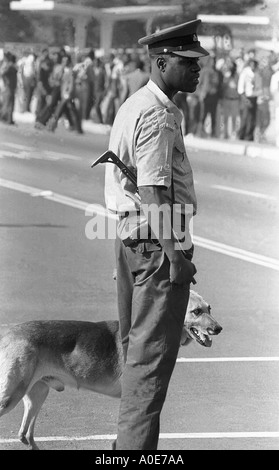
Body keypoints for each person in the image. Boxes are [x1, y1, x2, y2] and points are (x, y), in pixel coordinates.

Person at [104, 19, 208, 450]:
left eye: (198, 62)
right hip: (155, 248)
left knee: (134, 356)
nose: (197, 69)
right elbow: (152, 189)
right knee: (149, 367)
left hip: (131, 240)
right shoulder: (159, 113)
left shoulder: (134, 104)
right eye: (188, 62)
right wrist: (176, 255)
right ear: (163, 62)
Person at [237, 58, 262, 141]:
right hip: (246, 97)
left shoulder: (258, 73)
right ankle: (241, 136)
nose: (253, 66)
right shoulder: (245, 72)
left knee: (252, 119)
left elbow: (259, 87)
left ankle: (249, 136)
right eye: (252, 64)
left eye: (255, 64)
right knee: (244, 118)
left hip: (254, 98)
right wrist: (245, 99)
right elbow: (240, 87)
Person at [0, 52, 18, 125]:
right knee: (8, 103)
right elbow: (2, 73)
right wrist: (6, 81)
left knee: (9, 103)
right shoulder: (10, 66)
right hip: (9, 87)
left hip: (11, 86)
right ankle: (6, 118)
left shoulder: (10, 65)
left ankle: (9, 119)